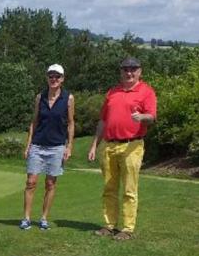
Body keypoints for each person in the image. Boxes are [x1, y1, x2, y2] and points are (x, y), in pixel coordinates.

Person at [88, 57, 157, 241]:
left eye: (133, 69)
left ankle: (127, 228)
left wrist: (142, 117)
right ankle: (109, 226)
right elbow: (103, 120)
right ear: (121, 71)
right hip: (109, 145)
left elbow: (151, 117)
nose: (129, 72)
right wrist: (95, 144)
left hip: (132, 145)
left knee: (129, 189)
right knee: (109, 188)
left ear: (140, 71)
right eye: (126, 69)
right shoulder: (112, 92)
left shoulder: (146, 91)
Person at [19, 64, 75, 231]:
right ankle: (26, 218)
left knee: (50, 183)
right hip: (37, 144)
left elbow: (71, 123)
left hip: (57, 146)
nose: (54, 79)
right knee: (31, 182)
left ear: (62, 79)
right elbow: (34, 122)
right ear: (47, 78)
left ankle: (44, 218)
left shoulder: (68, 98)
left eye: (57, 76)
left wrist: (69, 146)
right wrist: (28, 145)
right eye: (51, 76)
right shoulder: (40, 97)